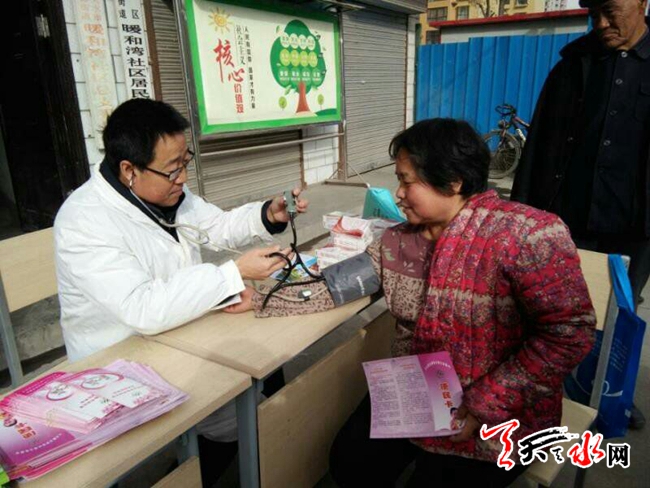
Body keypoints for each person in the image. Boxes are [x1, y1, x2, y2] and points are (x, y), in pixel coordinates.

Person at [226, 119, 596, 487]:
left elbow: (569, 336)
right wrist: (261, 300)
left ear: (453, 181)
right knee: (349, 463)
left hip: (502, 408)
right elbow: (333, 287)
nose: (398, 194)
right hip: (421, 386)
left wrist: (486, 402)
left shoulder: (528, 235)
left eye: (406, 181)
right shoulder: (397, 242)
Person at [53, 98, 307, 485]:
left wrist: (266, 215)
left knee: (266, 364)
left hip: (178, 330)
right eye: (173, 170)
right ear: (129, 170)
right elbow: (141, 308)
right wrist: (233, 273)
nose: (183, 179)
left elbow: (215, 226)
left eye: (185, 162)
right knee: (233, 399)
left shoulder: (167, 193)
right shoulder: (84, 220)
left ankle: (233, 461)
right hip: (121, 356)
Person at [510, 0, 649, 429]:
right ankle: (544, 393)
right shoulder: (572, 67)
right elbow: (538, 147)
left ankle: (609, 395)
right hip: (568, 219)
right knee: (554, 311)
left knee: (620, 314)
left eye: (611, 11)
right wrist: (521, 215)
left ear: (642, 2)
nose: (601, 23)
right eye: (594, 14)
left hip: (635, 225)